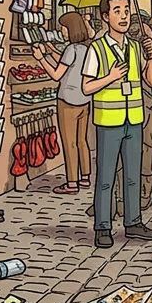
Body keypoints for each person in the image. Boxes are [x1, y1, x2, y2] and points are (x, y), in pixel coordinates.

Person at [82, 0, 152, 248]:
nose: (124, 16)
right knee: (105, 176)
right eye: (117, 11)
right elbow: (86, 87)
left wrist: (151, 57)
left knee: (132, 174)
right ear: (105, 17)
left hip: (134, 118)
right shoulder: (97, 49)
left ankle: (133, 221)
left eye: (126, 10)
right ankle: (103, 226)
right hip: (109, 120)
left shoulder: (136, 47)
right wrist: (111, 77)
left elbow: (151, 81)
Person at [31, 12, 93, 195]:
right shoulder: (85, 48)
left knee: (69, 142)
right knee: (82, 141)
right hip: (84, 100)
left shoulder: (71, 49)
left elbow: (57, 74)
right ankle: (85, 177)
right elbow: (69, 62)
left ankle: (71, 183)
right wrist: (51, 50)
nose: (62, 32)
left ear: (71, 29)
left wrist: (41, 58)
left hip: (67, 100)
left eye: (63, 28)